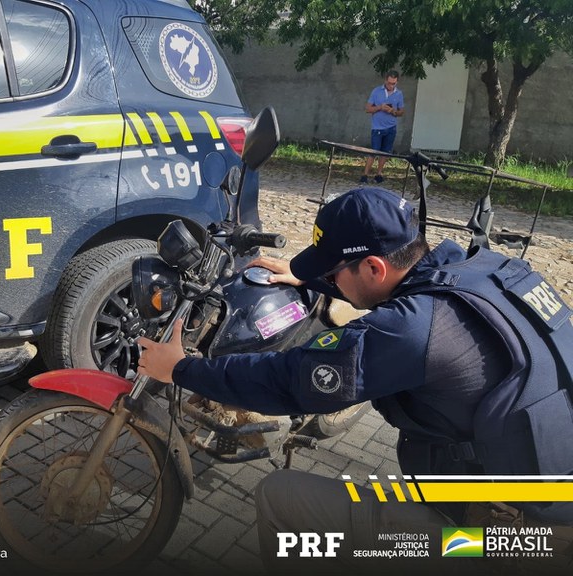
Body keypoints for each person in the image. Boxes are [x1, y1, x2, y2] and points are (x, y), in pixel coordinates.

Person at [137, 187, 573, 572]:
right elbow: (398, 293)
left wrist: (180, 368)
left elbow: (289, 381)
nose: (328, 279)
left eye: (334, 272)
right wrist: (310, 277)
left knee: (282, 497)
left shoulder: (411, 331)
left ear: (374, 268)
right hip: (548, 498)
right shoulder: (484, 271)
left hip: (508, 543)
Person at [361, 71, 404, 184]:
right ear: (385, 80)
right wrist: (380, 107)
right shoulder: (376, 91)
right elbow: (367, 109)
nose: (391, 86)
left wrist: (392, 111)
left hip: (391, 127)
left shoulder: (399, 94)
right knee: (373, 152)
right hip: (377, 128)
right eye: (389, 83)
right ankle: (365, 175)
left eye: (393, 83)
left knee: (385, 152)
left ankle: (379, 174)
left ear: (397, 82)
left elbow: (401, 112)